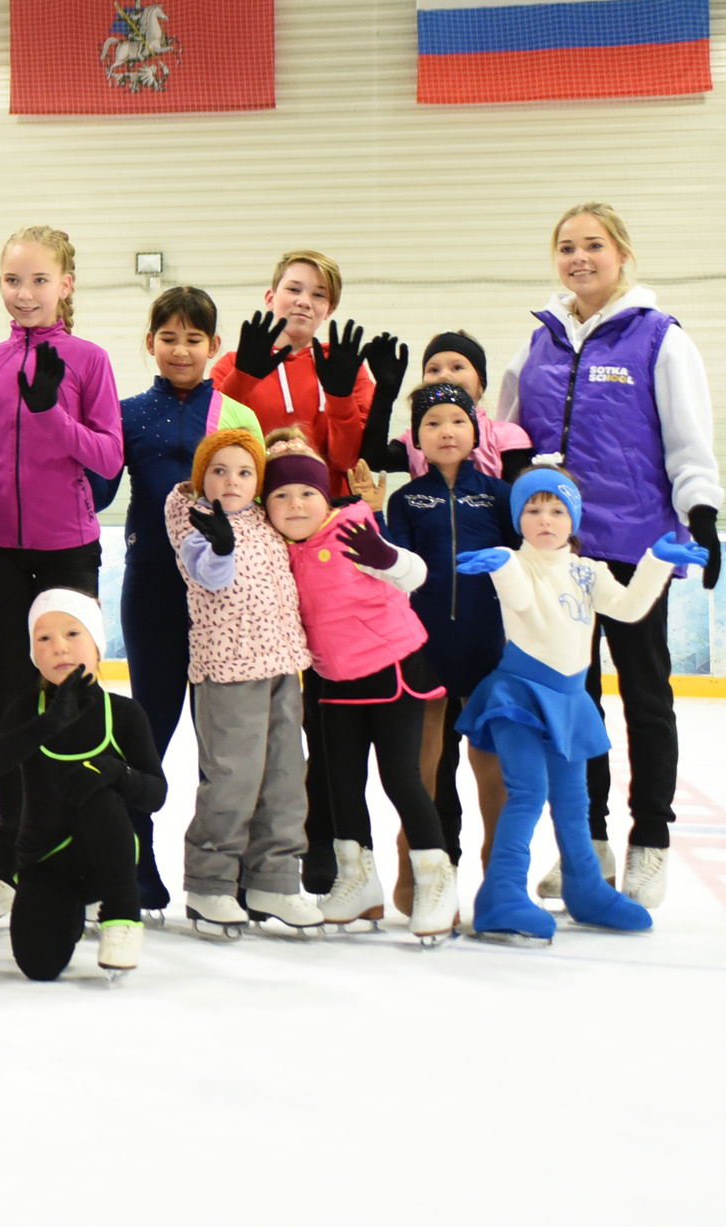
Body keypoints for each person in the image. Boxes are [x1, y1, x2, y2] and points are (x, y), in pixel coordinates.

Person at [491, 202, 723, 910]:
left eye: (593, 245)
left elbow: (688, 439)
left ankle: (649, 842)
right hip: (555, 556)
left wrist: (702, 514)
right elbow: (503, 437)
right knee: (571, 698)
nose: (579, 257)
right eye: (566, 246)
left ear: (622, 254)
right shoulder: (537, 342)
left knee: (646, 697)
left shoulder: (660, 338)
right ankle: (583, 842)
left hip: (633, 551)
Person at [0, 225, 122, 924]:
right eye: (13, 281)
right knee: (15, 706)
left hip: (67, 550)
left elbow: (107, 458)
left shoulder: (89, 360)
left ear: (66, 285)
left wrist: (54, 414)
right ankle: (9, 858)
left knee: (72, 701)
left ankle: (82, 852)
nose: (24, 294)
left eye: (39, 281)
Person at [454, 468, 700, 940]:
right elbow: (522, 602)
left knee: (574, 801)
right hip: (520, 697)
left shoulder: (590, 571)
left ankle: (585, 887)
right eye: (532, 509)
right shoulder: (512, 562)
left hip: (568, 699)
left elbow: (627, 609)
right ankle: (500, 896)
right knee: (527, 794)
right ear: (517, 517)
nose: (544, 519)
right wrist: (503, 569)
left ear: (574, 519)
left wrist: (655, 563)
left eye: (556, 510)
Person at [88, 286, 258, 914]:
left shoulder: (239, 416)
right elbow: (102, 492)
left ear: (215, 347)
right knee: (148, 734)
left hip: (223, 596)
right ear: (151, 342)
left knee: (227, 744)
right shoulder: (128, 412)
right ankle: (135, 859)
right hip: (154, 589)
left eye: (194, 338)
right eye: (169, 337)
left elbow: (260, 507)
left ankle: (223, 870)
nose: (181, 350)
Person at [261, 444, 456, 941]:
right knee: (341, 783)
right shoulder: (281, 548)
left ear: (326, 497)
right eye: (282, 495)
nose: (297, 504)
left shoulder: (352, 528)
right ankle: (356, 880)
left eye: (308, 493)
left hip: (393, 672)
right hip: (334, 679)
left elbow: (416, 574)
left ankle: (436, 881)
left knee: (400, 778)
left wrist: (386, 555)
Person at [164, 430, 325, 938]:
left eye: (243, 473)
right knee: (233, 779)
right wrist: (221, 548)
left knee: (283, 776)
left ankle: (274, 879)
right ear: (201, 476)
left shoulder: (262, 520)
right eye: (219, 471)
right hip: (228, 669)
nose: (230, 482)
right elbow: (207, 575)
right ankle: (210, 883)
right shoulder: (193, 521)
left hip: (281, 664)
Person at [380, 383, 516, 918]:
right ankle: (417, 876)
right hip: (426, 646)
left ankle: (499, 878)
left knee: (496, 775)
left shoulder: (501, 494)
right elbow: (396, 571)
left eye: (456, 422)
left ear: (475, 431)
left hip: (487, 650)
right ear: (417, 438)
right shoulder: (407, 499)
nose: (445, 431)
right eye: (432, 423)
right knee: (423, 771)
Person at [0, 591, 167, 981]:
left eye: (72, 633)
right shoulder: (26, 709)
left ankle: (121, 917)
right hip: (44, 859)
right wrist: (50, 721)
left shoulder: (123, 713)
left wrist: (117, 773)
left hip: (109, 857)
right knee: (38, 964)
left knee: (96, 790)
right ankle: (66, 914)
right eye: (44, 638)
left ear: (98, 646)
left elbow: (156, 794)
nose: (59, 648)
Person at [211, 250, 374, 496]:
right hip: (252, 512)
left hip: (328, 514)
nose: (304, 301)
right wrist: (242, 379)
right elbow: (211, 439)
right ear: (270, 298)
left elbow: (346, 461)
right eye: (294, 290)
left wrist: (340, 399)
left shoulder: (348, 370)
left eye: (318, 295)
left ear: (328, 310)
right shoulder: (233, 365)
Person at [355, 331, 533, 484]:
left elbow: (516, 500)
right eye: (433, 370)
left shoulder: (506, 436)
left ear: (481, 383)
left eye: (457, 367)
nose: (444, 375)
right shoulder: (416, 438)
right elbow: (374, 459)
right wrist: (384, 393)